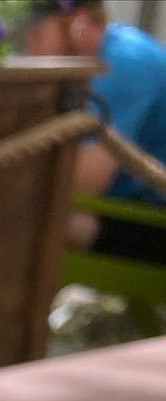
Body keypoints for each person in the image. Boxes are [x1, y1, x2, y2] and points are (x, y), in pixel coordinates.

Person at [25, 0, 166, 261]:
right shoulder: (111, 55)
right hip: (132, 208)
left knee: (30, 217)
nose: (29, 47)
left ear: (77, 23)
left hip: (153, 222)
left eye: (36, 33)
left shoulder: (127, 62)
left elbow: (82, 183)